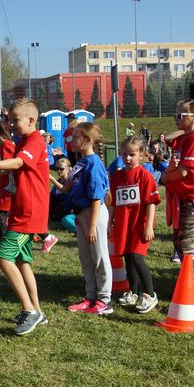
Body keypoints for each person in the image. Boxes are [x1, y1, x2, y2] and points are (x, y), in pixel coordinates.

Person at [0, 98, 50, 335]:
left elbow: (19, 162)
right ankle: (37, 310)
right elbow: (16, 168)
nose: (11, 125)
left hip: (29, 213)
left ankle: (29, 311)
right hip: (21, 209)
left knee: (3, 257)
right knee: (22, 261)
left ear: (31, 120)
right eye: (9, 120)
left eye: (15, 120)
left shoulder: (34, 141)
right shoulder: (23, 140)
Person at [161, 100, 194, 298]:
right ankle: (190, 283)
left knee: (185, 246)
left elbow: (184, 172)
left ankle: (193, 288)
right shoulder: (186, 137)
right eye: (175, 115)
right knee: (178, 242)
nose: (176, 119)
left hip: (192, 197)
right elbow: (168, 139)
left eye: (181, 116)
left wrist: (165, 178)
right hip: (182, 196)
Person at [65, 122, 113, 315]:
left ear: (87, 140)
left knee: (99, 256)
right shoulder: (82, 162)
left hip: (94, 214)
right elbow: (68, 188)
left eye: (76, 137)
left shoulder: (93, 164)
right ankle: (90, 295)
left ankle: (104, 300)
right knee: (86, 257)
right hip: (82, 214)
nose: (72, 140)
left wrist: (92, 225)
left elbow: (96, 197)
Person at [110, 137, 161, 314]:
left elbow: (151, 202)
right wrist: (110, 223)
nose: (128, 158)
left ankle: (149, 294)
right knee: (128, 257)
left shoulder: (145, 176)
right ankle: (133, 292)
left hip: (140, 224)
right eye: (124, 154)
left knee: (136, 257)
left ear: (141, 155)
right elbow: (114, 203)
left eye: (132, 154)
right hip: (123, 224)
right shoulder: (117, 177)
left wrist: (149, 226)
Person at [49, 157, 76, 233]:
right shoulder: (58, 181)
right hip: (59, 208)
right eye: (56, 169)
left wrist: (52, 179)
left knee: (65, 219)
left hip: (68, 208)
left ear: (68, 169)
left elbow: (64, 190)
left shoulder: (72, 181)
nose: (58, 171)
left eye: (61, 169)